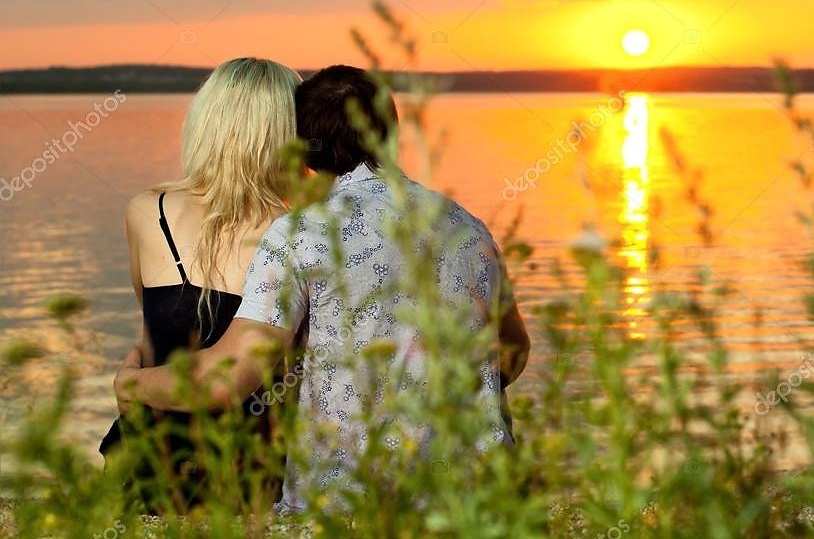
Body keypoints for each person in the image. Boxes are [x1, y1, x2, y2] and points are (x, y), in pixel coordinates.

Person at [114, 65, 530, 513]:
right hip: (476, 494)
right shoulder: (468, 226)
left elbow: (232, 376)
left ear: (303, 150)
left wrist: (133, 383)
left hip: (347, 498)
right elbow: (512, 351)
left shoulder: (303, 233)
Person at [101, 57, 301, 511]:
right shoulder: (299, 234)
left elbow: (154, 332)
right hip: (248, 472)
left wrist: (129, 381)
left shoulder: (148, 211)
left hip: (147, 461)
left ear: (204, 122)